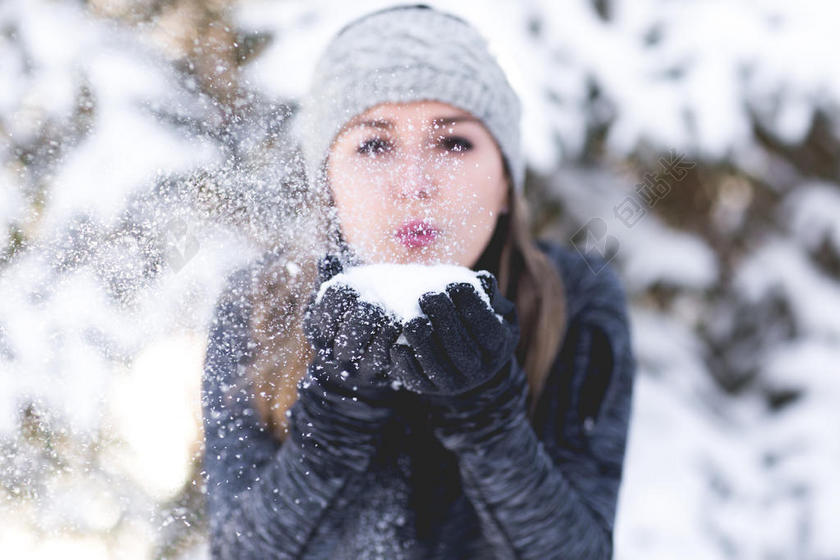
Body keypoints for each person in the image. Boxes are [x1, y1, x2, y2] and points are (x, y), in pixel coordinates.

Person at [201, 4, 636, 559]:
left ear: (505, 181)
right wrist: (338, 411)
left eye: (454, 142)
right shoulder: (262, 306)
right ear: (328, 181)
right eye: (374, 144)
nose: (413, 184)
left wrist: (488, 417)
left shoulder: (572, 302)